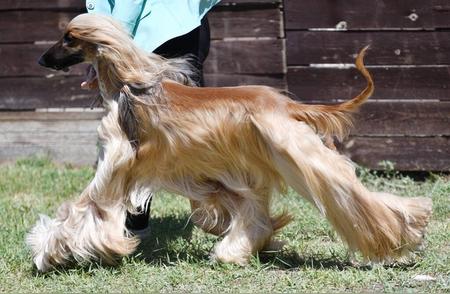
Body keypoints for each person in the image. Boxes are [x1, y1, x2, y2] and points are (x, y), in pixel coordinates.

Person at [83, 0, 221, 236]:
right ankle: (221, 215)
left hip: (155, 30)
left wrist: (111, 47)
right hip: (170, 24)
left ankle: (220, 216)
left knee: (139, 133)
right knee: (181, 130)